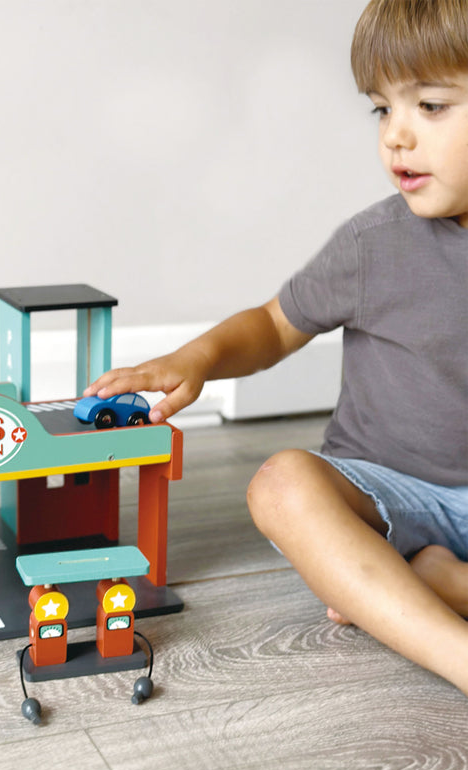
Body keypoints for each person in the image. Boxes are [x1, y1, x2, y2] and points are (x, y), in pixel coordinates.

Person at [84, 0, 468, 696]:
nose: (395, 136)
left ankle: (423, 583)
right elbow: (272, 325)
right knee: (282, 486)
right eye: (382, 110)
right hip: (383, 492)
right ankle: (453, 650)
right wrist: (199, 357)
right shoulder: (372, 244)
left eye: (431, 106)